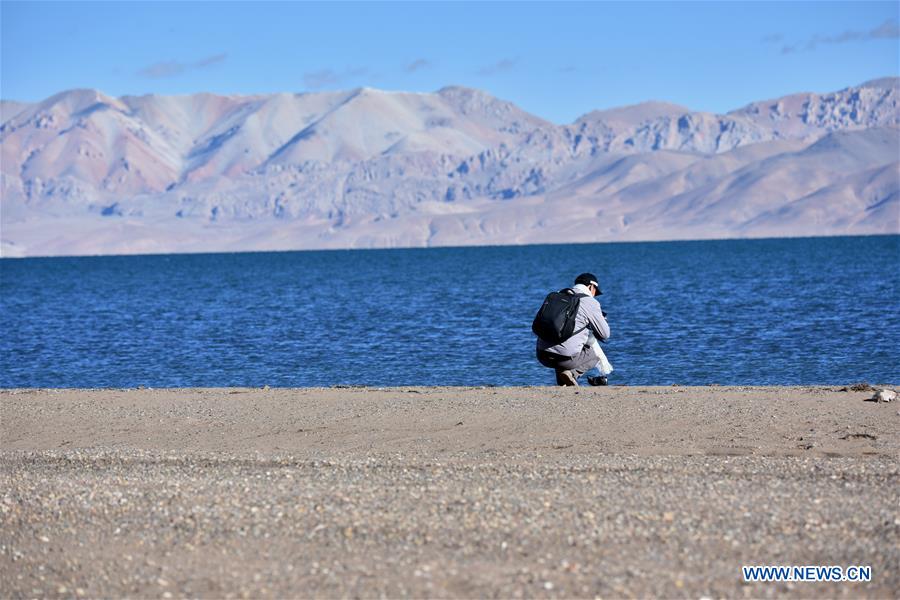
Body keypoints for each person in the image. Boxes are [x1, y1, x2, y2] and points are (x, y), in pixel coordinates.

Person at [535, 272, 611, 386]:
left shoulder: (558, 295)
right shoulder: (590, 302)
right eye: (595, 291)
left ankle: (564, 381)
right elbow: (605, 334)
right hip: (565, 358)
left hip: (542, 354)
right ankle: (572, 373)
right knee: (594, 354)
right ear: (591, 287)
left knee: (563, 342)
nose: (595, 295)